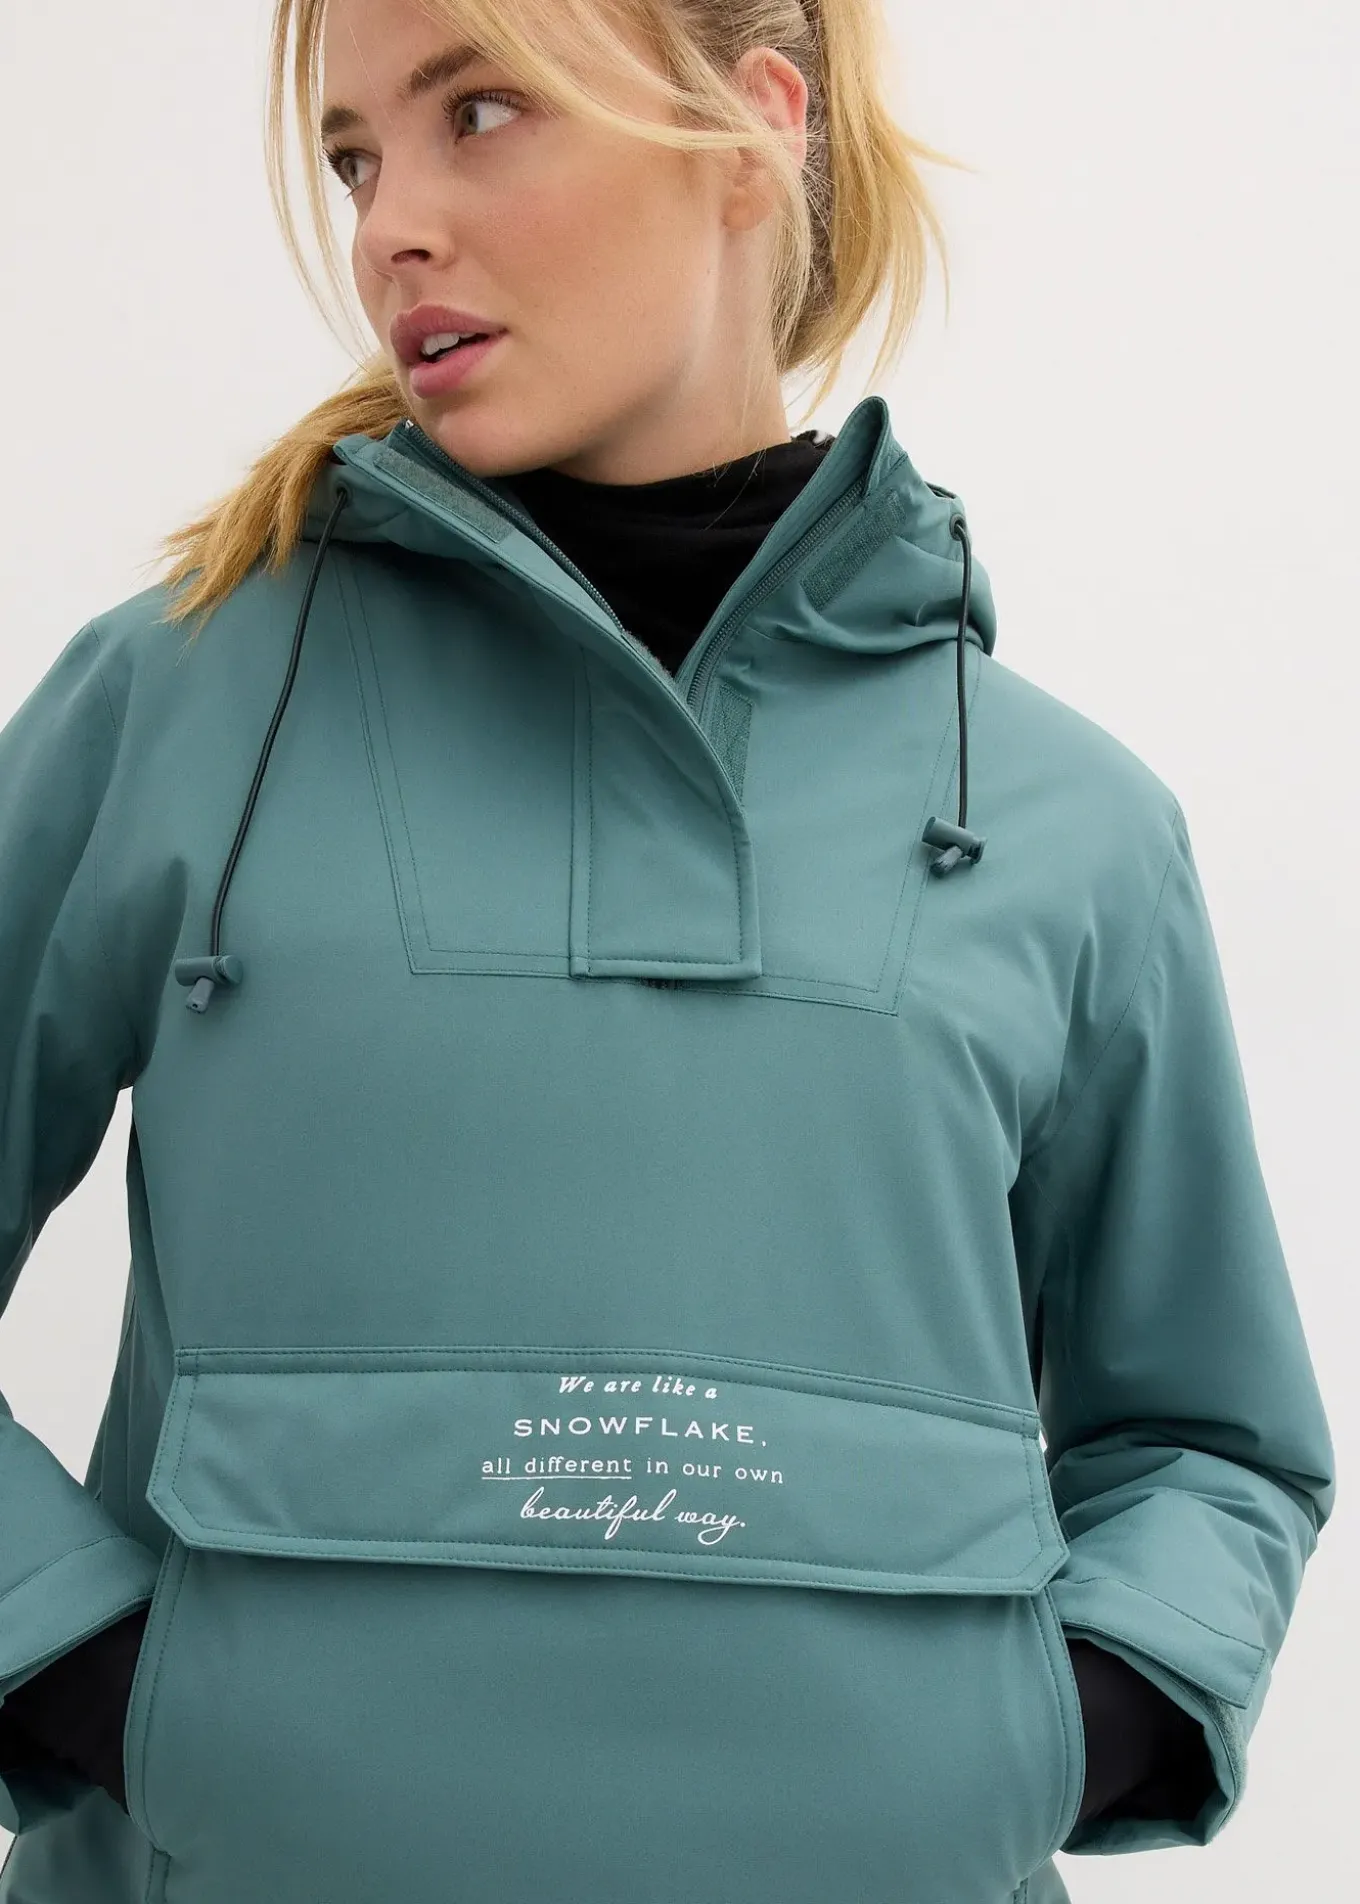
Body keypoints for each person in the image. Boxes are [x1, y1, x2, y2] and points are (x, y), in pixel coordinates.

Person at [0, 0, 1336, 1900]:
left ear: (752, 129)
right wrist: (104, 1696)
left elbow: (1209, 1438)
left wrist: (1047, 1733)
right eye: (356, 156)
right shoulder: (183, 703)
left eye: (480, 112)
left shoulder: (1073, 819)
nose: (390, 226)